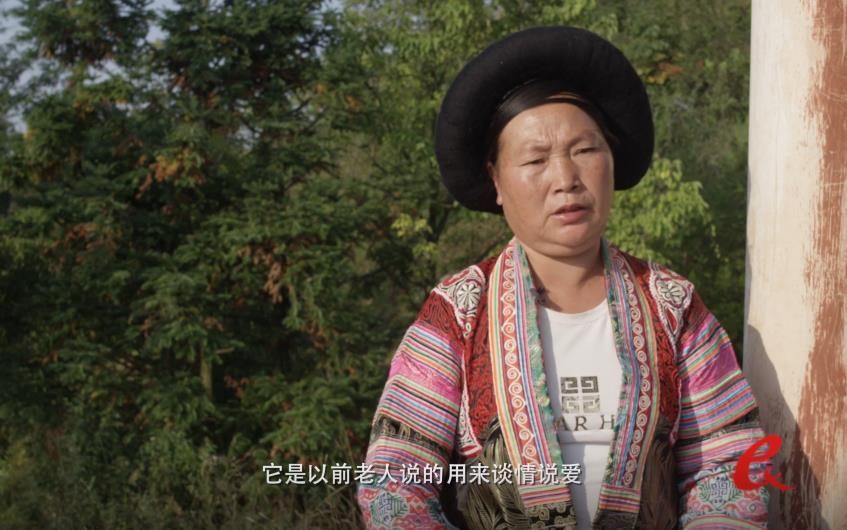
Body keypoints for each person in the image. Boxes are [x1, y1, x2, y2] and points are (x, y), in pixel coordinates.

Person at [356, 26, 769, 529]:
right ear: (496, 180)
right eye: (535, 159)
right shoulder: (458, 311)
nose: (566, 179)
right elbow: (395, 480)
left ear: (611, 160)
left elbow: (729, 461)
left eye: (585, 150)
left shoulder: (673, 305)